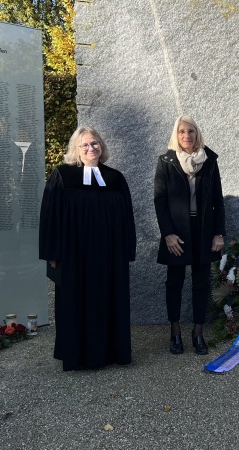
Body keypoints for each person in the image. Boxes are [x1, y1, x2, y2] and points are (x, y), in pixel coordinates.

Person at [39, 126, 136, 371]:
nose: (91, 148)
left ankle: (110, 353)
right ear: (76, 149)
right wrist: (52, 253)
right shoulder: (62, 175)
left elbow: (127, 217)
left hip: (109, 256)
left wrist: (127, 249)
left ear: (101, 146)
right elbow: (50, 215)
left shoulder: (115, 178)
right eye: (85, 145)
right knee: (74, 303)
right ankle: (77, 356)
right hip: (74, 255)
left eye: (95, 143)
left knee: (109, 301)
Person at [154, 116, 225, 356]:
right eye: (182, 131)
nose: (187, 136)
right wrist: (168, 234)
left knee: (201, 282)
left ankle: (198, 332)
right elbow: (160, 201)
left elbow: (217, 200)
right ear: (176, 134)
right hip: (176, 231)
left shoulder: (209, 160)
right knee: (174, 281)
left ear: (197, 133)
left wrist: (219, 233)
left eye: (191, 131)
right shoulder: (166, 161)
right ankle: (175, 332)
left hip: (203, 230)